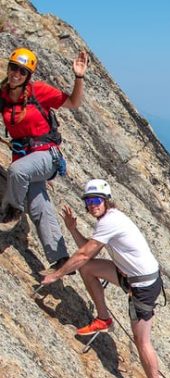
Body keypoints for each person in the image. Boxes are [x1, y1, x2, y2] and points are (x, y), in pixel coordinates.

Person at [41, 179, 165, 378]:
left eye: (96, 200)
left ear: (106, 201)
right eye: (88, 201)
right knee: (87, 270)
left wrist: (56, 275)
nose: (92, 205)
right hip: (134, 276)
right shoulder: (110, 219)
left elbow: (83, 254)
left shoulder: (110, 221)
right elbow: (87, 253)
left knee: (142, 341)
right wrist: (72, 229)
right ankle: (103, 317)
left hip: (142, 286)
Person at [0, 47, 88, 272]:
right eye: (13, 68)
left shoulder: (38, 91)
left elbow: (74, 102)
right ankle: (60, 259)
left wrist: (79, 77)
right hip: (26, 158)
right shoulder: (3, 95)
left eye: (21, 71)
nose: (15, 74)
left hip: (47, 157)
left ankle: (10, 211)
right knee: (38, 203)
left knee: (17, 171)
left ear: (28, 75)